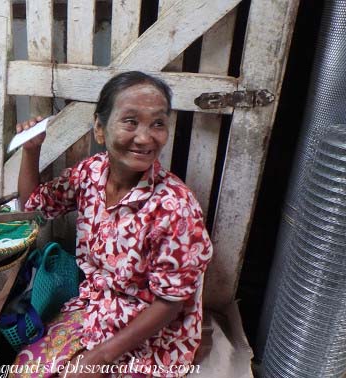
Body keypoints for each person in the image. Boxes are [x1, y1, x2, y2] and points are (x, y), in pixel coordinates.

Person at [13, 71, 213, 378]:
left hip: (151, 334)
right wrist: (31, 150)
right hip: (94, 308)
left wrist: (100, 358)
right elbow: (33, 209)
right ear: (100, 129)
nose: (145, 137)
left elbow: (171, 302)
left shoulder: (176, 208)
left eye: (158, 123)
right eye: (130, 121)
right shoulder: (90, 173)